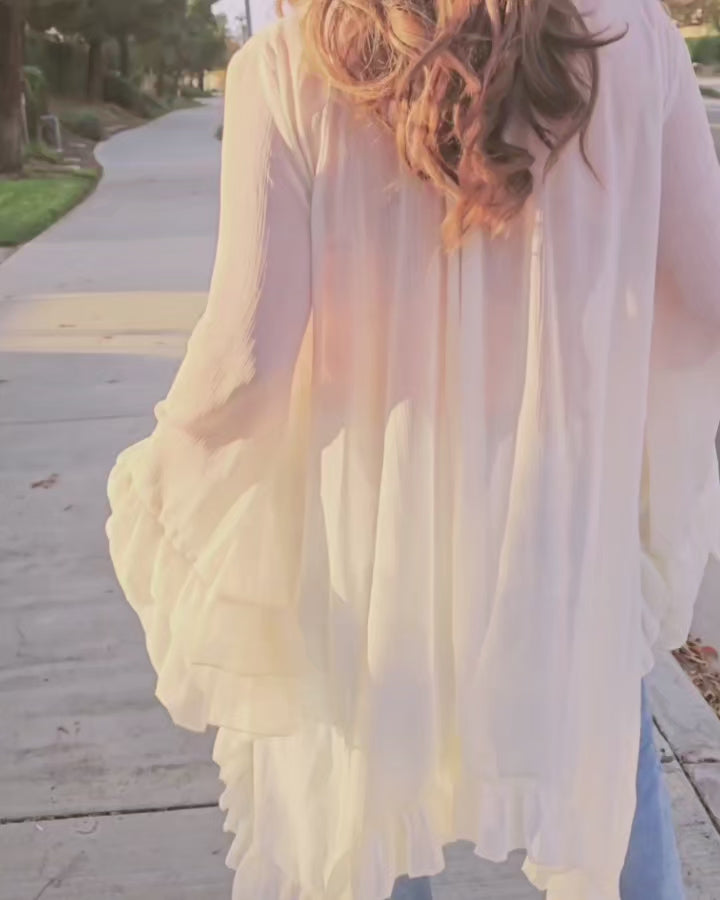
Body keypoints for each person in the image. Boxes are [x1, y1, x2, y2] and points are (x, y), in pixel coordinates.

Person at [105, 0, 720, 898]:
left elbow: (245, 362)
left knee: (365, 820)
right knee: (609, 797)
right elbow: (705, 299)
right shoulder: (635, 42)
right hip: (559, 522)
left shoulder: (289, 68)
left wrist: (165, 462)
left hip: (367, 536)